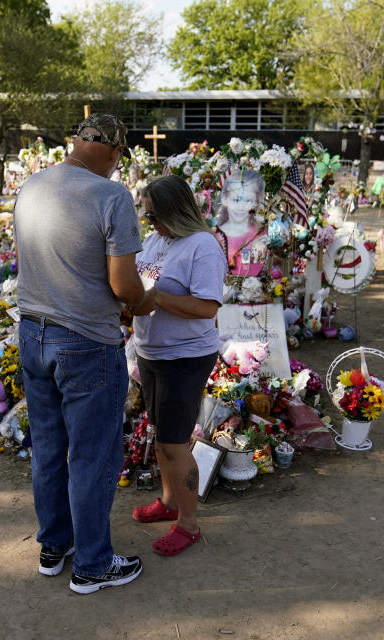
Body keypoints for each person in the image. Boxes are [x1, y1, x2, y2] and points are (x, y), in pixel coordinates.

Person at [14, 113, 153, 594]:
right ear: (115, 153)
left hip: (33, 333)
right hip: (86, 342)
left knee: (49, 448)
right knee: (93, 455)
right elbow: (123, 284)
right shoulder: (111, 195)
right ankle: (93, 565)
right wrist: (143, 301)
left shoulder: (33, 185)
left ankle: (55, 545)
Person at [129, 175, 227, 555]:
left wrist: (158, 300)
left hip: (184, 357)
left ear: (174, 212)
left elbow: (207, 308)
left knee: (175, 443)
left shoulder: (203, 246)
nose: (149, 222)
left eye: (154, 215)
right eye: (147, 215)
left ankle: (188, 524)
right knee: (160, 436)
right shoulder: (156, 241)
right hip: (152, 353)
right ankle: (169, 502)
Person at [214, 169, 268, 275]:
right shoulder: (215, 234)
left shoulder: (261, 235)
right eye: (236, 200)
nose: (241, 207)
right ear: (225, 199)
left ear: (256, 202)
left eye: (248, 201)